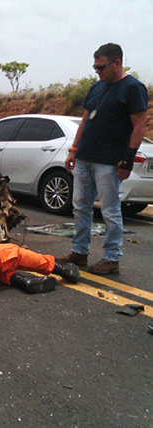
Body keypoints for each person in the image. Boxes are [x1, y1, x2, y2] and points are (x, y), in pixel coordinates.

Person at [56, 43, 148, 275]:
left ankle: (112, 257)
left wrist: (128, 158)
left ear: (117, 63)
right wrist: (74, 149)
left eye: (102, 67)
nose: (97, 71)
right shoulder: (96, 87)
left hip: (108, 161)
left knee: (109, 210)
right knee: (80, 208)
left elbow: (139, 125)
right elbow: (85, 119)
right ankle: (79, 252)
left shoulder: (133, 87)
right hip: (85, 157)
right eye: (95, 66)